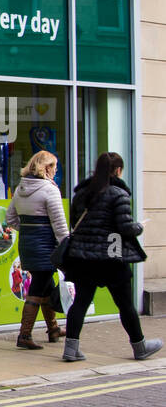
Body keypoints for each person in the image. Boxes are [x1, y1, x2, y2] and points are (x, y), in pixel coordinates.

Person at [61, 151, 161, 362]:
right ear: (117, 171)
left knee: (80, 303)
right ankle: (140, 346)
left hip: (83, 257)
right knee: (125, 304)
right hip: (111, 256)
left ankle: (71, 349)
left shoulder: (83, 194)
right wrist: (139, 227)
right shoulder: (118, 194)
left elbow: (74, 223)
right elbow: (125, 227)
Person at [6, 150, 68, 349]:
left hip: (28, 245)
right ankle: (24, 335)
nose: (55, 171)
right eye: (54, 167)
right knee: (37, 288)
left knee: (46, 285)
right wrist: (66, 244)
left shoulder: (21, 188)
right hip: (46, 246)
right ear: (47, 168)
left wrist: (28, 230)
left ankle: (53, 329)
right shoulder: (49, 190)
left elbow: (11, 219)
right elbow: (59, 224)